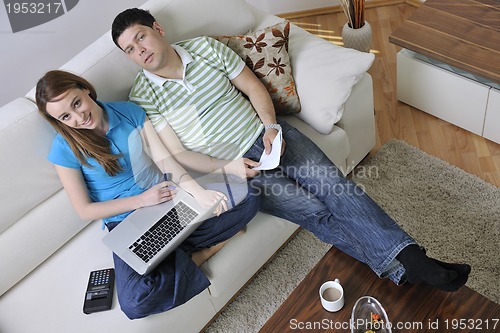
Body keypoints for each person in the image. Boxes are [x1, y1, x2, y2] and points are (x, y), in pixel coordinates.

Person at [111, 8, 471, 292]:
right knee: (314, 212)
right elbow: (179, 155)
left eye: (140, 38)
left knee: (336, 188)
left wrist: (270, 127)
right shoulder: (144, 96)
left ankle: (412, 261)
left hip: (269, 138)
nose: (139, 51)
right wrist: (229, 167)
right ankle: (407, 266)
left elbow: (253, 89)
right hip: (234, 170)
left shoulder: (205, 48)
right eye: (129, 50)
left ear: (158, 29)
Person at [35, 70, 261, 319]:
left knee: (251, 198)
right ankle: (205, 250)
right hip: (124, 221)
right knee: (134, 302)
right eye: (66, 116)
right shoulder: (64, 148)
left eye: (76, 103)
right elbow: (84, 210)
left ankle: (173, 252)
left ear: (85, 89)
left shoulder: (128, 111)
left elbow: (164, 160)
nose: (78, 117)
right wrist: (142, 200)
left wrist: (198, 192)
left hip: (167, 201)